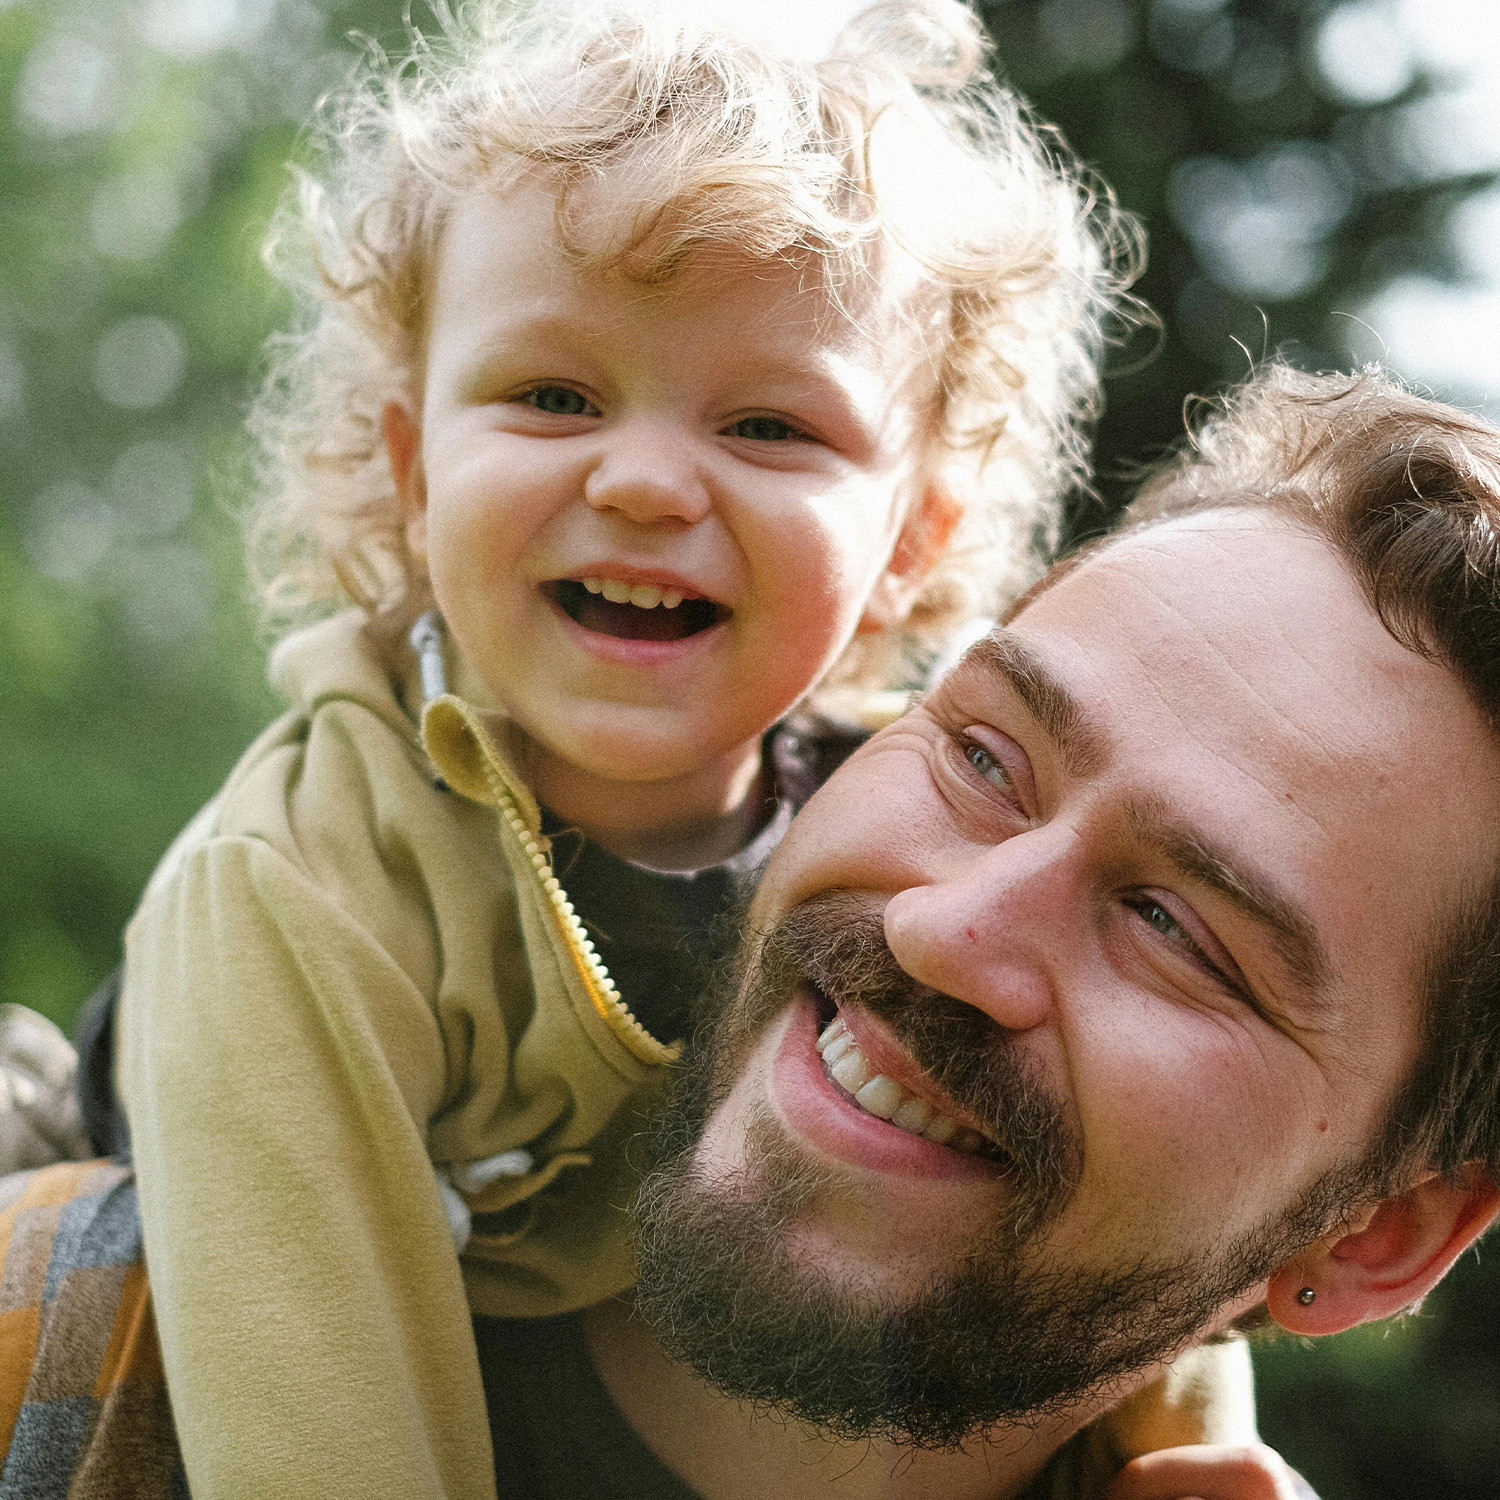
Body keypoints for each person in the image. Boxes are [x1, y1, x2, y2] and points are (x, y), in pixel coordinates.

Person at [7, 4, 1269, 1499]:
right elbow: (319, 1434)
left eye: (768, 426)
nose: (648, 478)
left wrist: (1191, 1441)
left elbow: (1114, 1141)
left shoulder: (911, 828)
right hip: (199, 1263)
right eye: (553, 397)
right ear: (416, 469)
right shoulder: (298, 888)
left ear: (910, 538)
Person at [4, 361, 1488, 1498]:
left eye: (1177, 928)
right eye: (982, 755)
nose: (943, 932)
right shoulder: (49, 1373)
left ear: (1377, 1236)